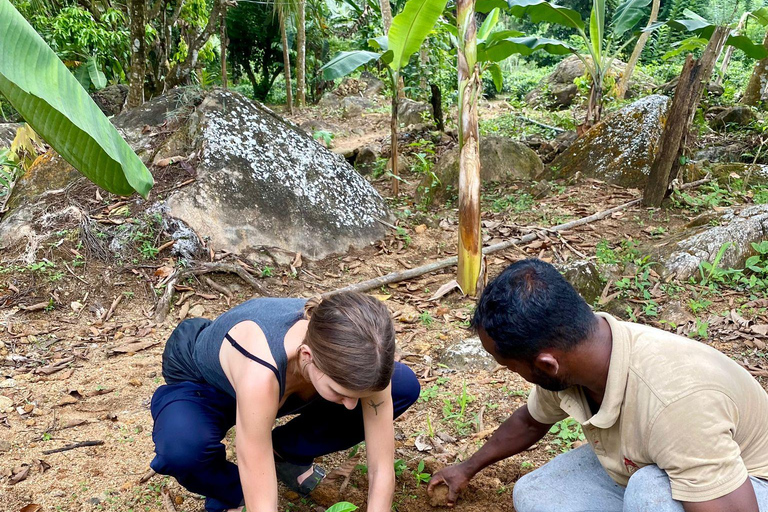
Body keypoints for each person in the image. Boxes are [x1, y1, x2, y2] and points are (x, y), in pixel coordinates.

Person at [428, 258, 768, 512]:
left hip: (744, 485)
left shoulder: (674, 400)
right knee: (536, 496)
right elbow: (531, 421)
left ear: (546, 364)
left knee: (648, 494)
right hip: (656, 465)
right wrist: (466, 468)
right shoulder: (574, 355)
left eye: (510, 366)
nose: (512, 373)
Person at [150, 292, 420, 512]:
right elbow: (254, 464)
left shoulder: (369, 359)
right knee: (182, 449)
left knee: (403, 385)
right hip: (204, 383)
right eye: (341, 393)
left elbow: (381, 466)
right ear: (307, 355)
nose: (350, 406)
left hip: (287, 385)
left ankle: (286, 454)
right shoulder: (261, 372)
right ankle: (231, 493)